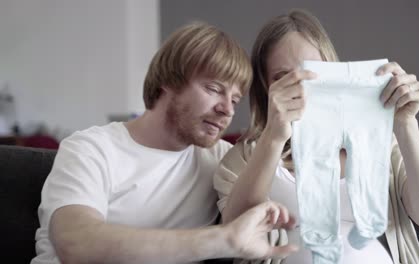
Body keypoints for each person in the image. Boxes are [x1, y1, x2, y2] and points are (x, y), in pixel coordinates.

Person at [32, 21, 299, 264]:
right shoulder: (90, 149)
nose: (227, 109)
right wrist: (224, 239)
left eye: (235, 99)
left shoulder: (221, 159)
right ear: (169, 81)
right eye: (214, 89)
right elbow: (77, 244)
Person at [214, 9, 419, 264]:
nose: (302, 86)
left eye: (312, 72)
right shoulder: (245, 157)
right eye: (283, 78)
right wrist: (273, 136)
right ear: (266, 88)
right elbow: (234, 236)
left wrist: (406, 124)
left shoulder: (379, 143)